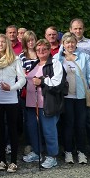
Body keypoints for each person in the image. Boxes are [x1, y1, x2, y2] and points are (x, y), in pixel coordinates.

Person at [22, 39, 63, 169]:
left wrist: (42, 81)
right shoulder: (35, 64)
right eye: (38, 49)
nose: (41, 52)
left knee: (49, 130)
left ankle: (52, 156)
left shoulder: (55, 63)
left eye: (44, 49)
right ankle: (37, 151)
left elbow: (57, 82)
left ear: (49, 50)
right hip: (31, 103)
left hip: (47, 103)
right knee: (33, 129)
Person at [0, 34, 26, 173]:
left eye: (3, 42)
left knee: (12, 130)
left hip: (11, 100)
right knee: (0, 131)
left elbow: (22, 79)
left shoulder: (15, 60)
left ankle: (14, 161)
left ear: (7, 44)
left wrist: (11, 88)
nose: (0, 44)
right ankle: (2, 160)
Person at [59, 32, 90, 165]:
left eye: (72, 42)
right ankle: (68, 151)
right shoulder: (58, 58)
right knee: (68, 125)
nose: (70, 44)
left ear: (76, 43)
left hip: (81, 97)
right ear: (63, 44)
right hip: (66, 97)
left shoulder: (85, 57)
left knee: (80, 125)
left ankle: (81, 151)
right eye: (67, 42)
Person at [69, 18, 90, 162]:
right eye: (75, 28)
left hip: (87, 88)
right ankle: (72, 149)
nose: (78, 31)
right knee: (71, 121)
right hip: (71, 90)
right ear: (70, 29)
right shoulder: (65, 43)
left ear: (84, 29)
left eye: (80, 28)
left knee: (89, 120)